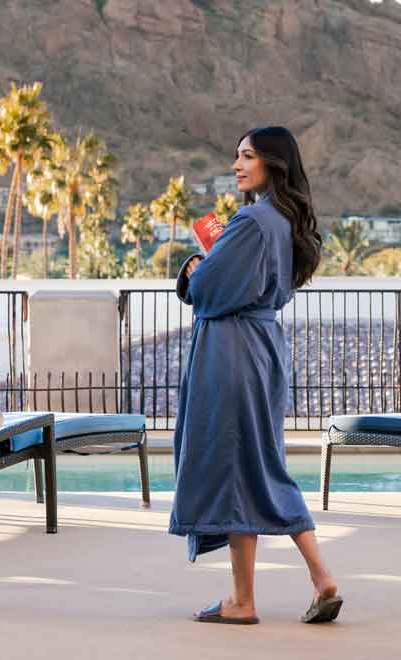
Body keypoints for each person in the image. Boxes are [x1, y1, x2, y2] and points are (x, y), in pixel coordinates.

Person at [170, 126, 341, 625]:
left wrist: (198, 264)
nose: (237, 165)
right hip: (261, 349)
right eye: (236, 156)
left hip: (231, 354)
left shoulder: (251, 222)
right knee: (243, 467)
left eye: (247, 156)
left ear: (272, 163)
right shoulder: (284, 221)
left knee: (254, 466)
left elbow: (208, 291)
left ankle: (321, 575)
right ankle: (242, 600)